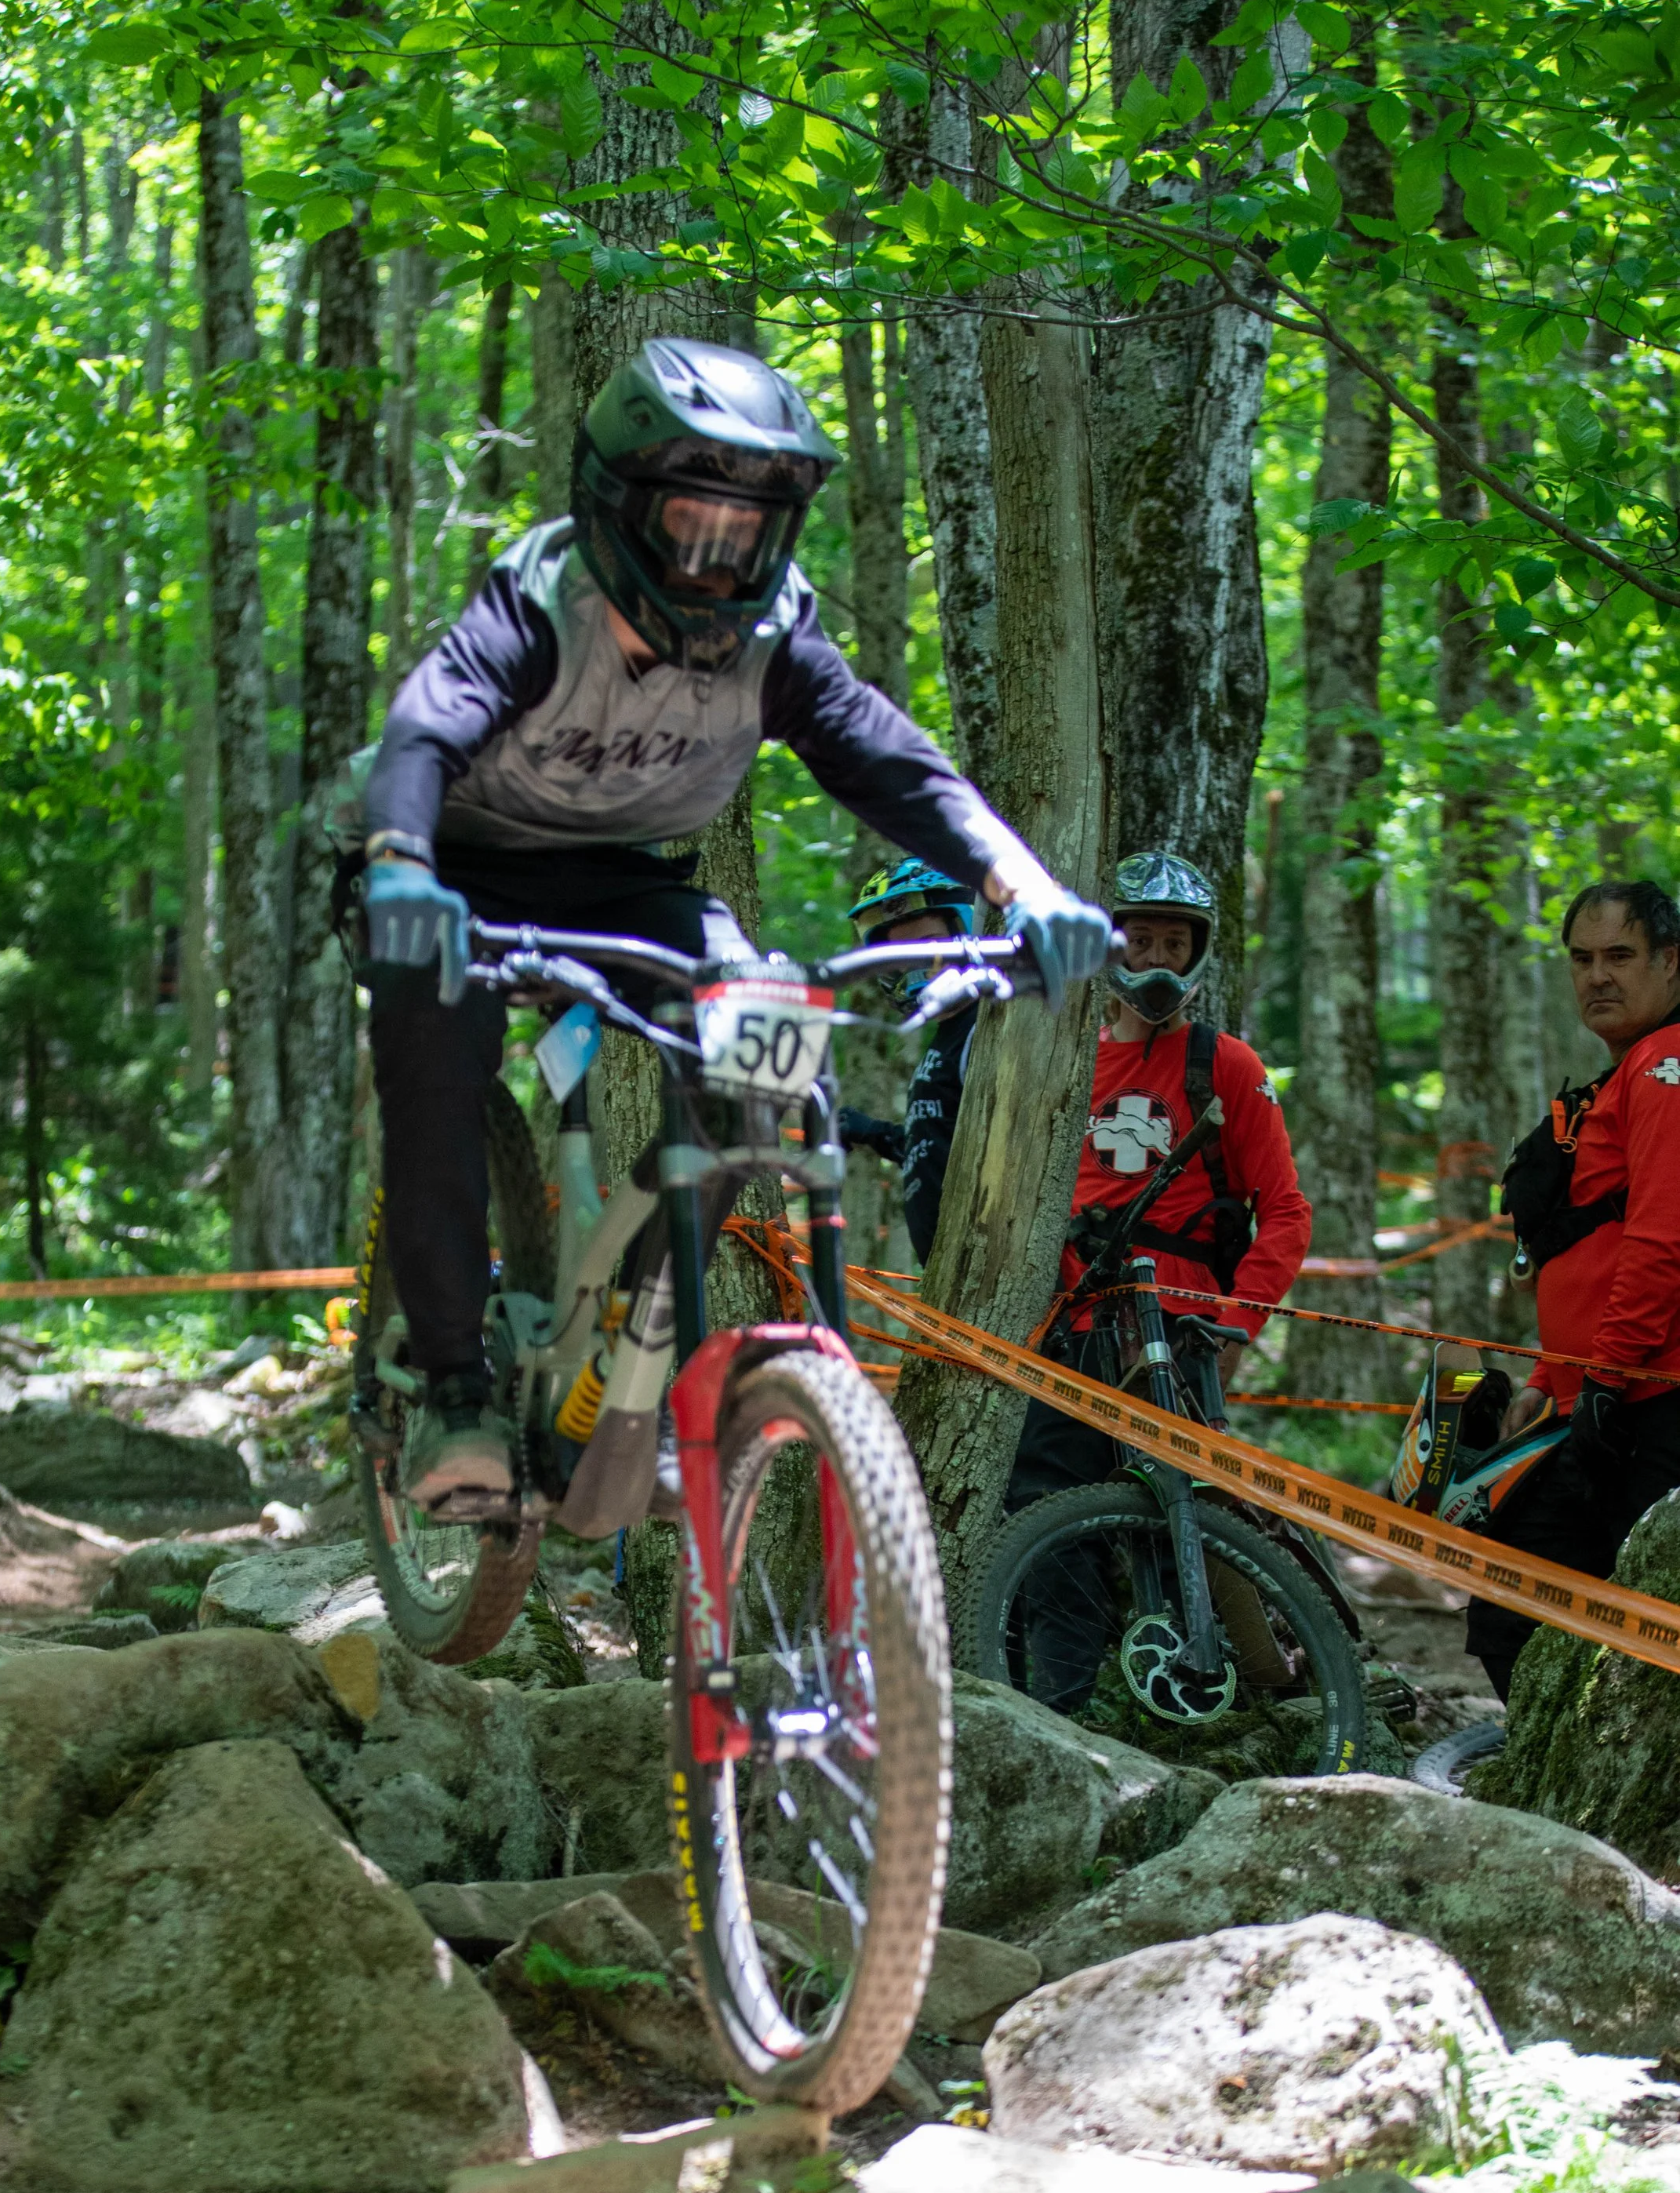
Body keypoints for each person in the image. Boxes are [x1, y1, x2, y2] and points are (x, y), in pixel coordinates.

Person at [346, 336, 1110, 1512]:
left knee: (763, 1045)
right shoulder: (548, 601)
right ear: (618, 512)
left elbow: (885, 757)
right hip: (453, 868)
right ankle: (453, 1390)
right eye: (688, 529)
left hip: (619, 878)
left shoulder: (776, 637)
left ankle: (636, 1372)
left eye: (741, 537)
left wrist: (1026, 886)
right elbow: (425, 729)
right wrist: (400, 867)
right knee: (436, 1047)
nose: (714, 564)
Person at [1003, 851, 1311, 1708]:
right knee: (1048, 1508)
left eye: (1173, 942)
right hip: (1065, 1330)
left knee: (1197, 1510)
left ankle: (1264, 1682)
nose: (1155, 959)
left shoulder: (1229, 1068)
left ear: (1198, 951)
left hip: (1177, 1331)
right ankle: (1057, 1708)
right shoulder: (1061, 1065)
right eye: (1137, 939)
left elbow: (1284, 1210)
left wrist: (1236, 1324)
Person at [1463, 878, 1680, 1701]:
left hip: (1645, 1401)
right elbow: (1587, 1244)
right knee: (1532, 1605)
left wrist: (1602, 1381)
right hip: (1596, 1394)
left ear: (1669, 961)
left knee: (1529, 1609)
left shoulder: (1665, 1063)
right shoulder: (1620, 1075)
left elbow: (1662, 1240)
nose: (1598, 976)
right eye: (1581, 959)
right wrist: (1553, 1382)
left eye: (1620, 957)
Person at [835, 856, 982, 1263]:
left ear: (969, 931)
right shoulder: (949, 1036)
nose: (917, 965)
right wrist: (877, 1134)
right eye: (900, 954)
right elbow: (951, 1144)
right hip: (946, 1270)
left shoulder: (987, 1031)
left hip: (985, 1261)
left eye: (930, 946)